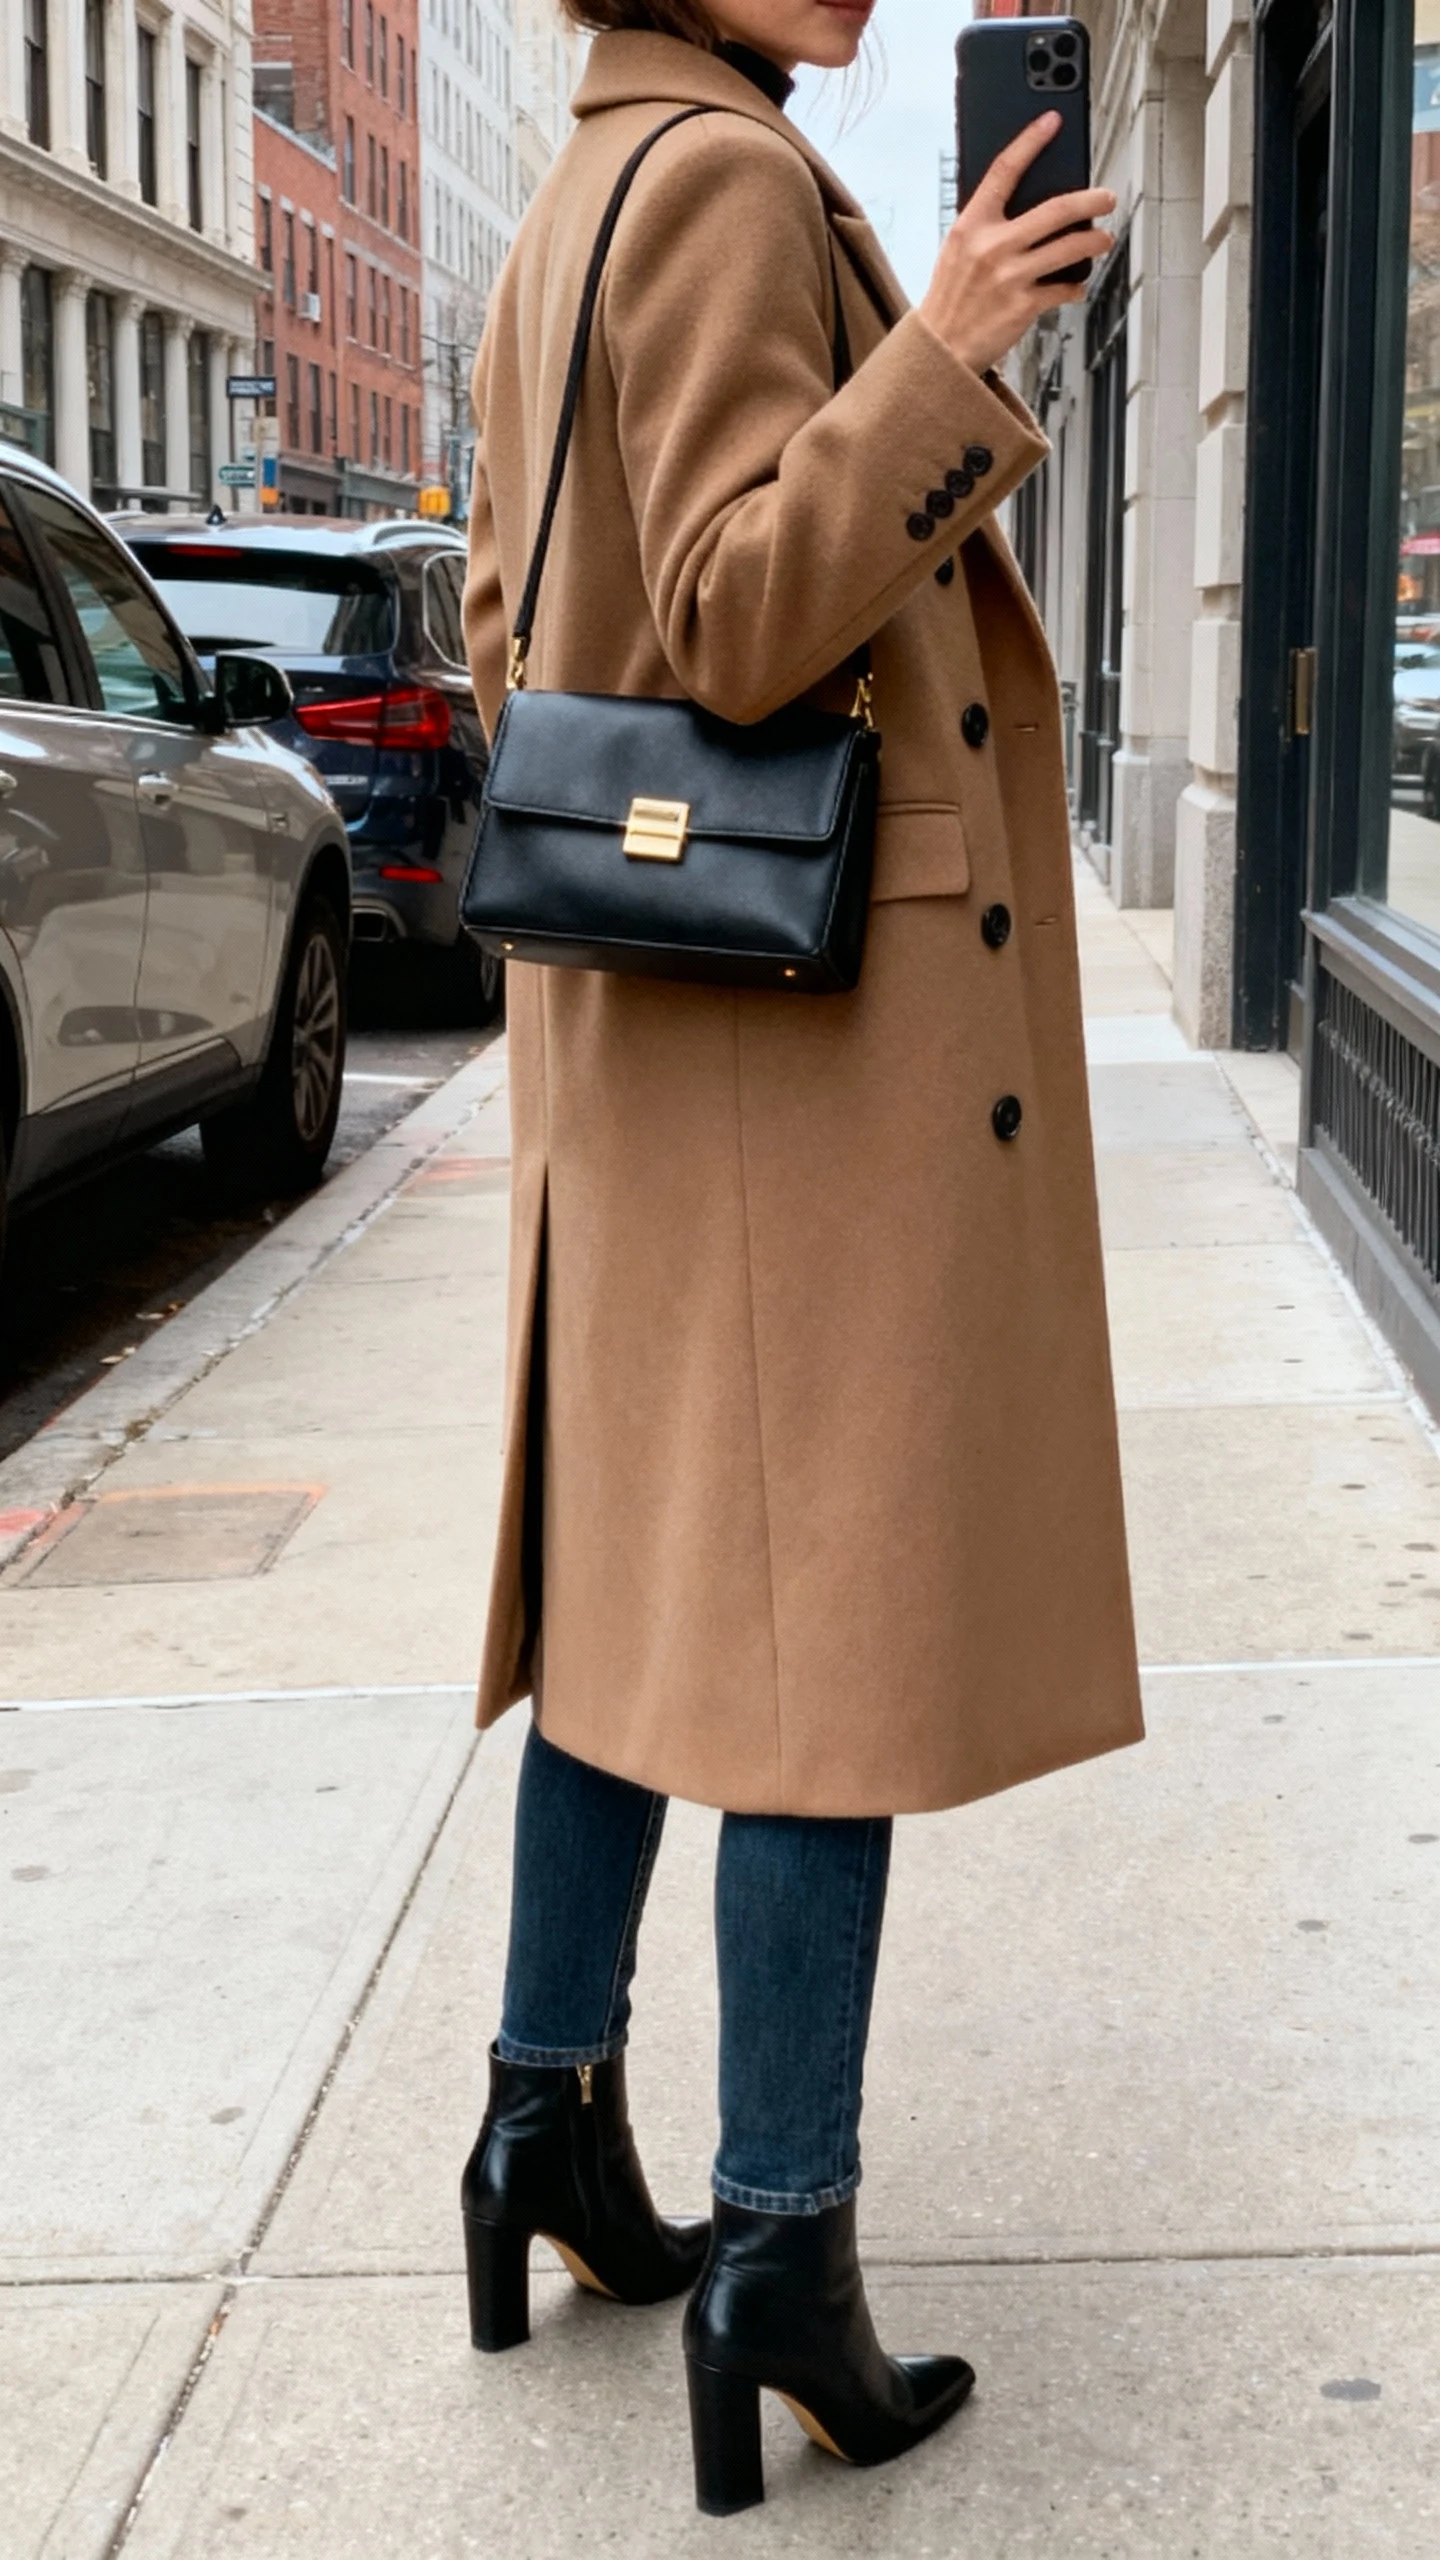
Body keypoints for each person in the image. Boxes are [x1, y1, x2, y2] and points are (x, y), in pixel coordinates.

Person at [460, 0, 1142, 2518]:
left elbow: (556, 590)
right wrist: (946, 355)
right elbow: (748, 607)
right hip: (786, 1034)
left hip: (654, 1036)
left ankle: (541, 2119)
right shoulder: (734, 183)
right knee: (813, 1647)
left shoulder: (588, 185)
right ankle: (778, 2244)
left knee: (641, 1614)